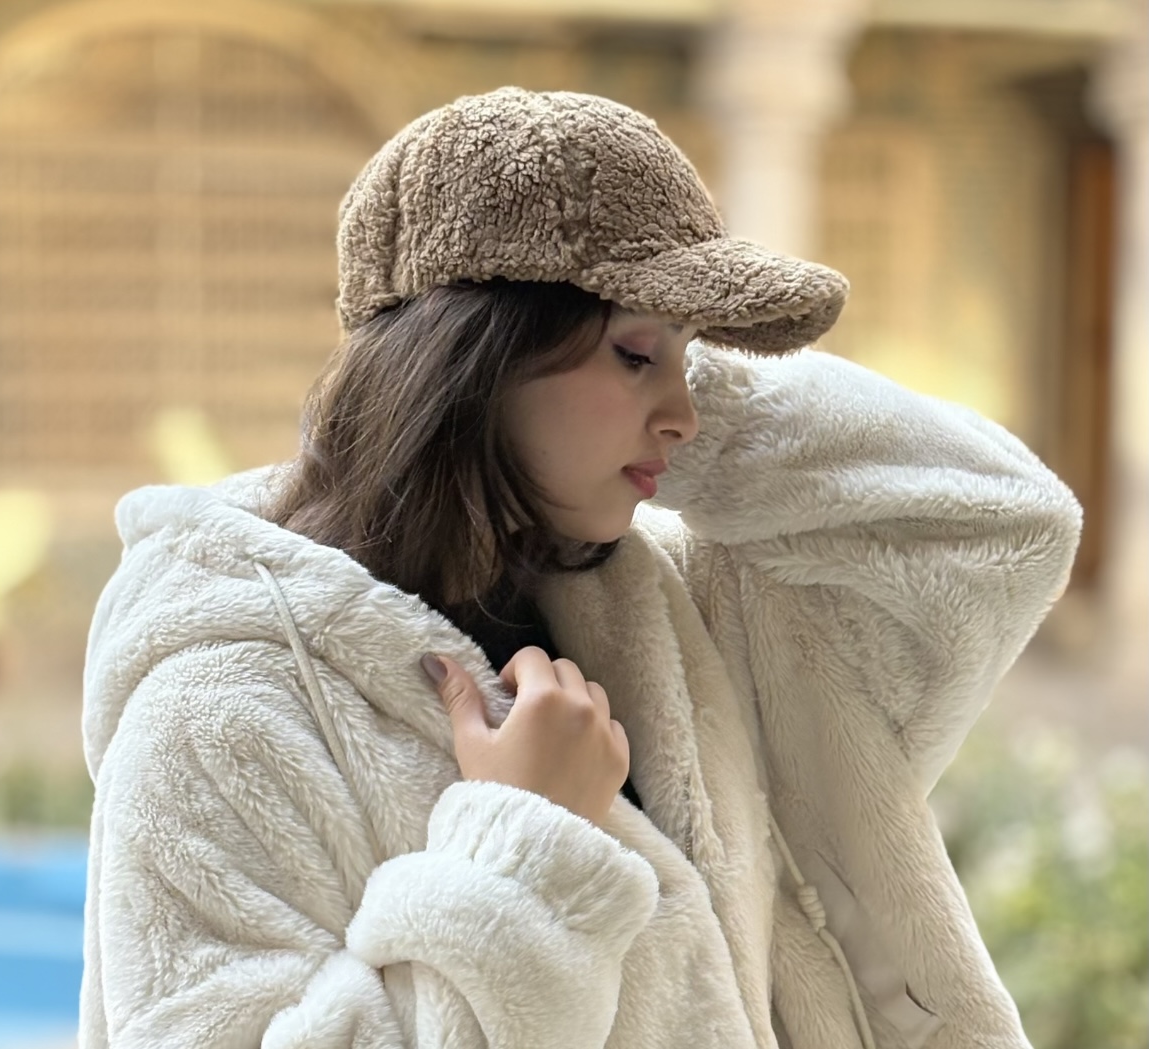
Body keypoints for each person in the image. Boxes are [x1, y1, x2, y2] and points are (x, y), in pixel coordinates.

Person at [80, 87, 1081, 1049]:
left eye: (691, 361)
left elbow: (999, 523)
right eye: (636, 356)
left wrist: (666, 374)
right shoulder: (214, 710)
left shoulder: (676, 606)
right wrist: (523, 846)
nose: (686, 413)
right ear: (470, 360)